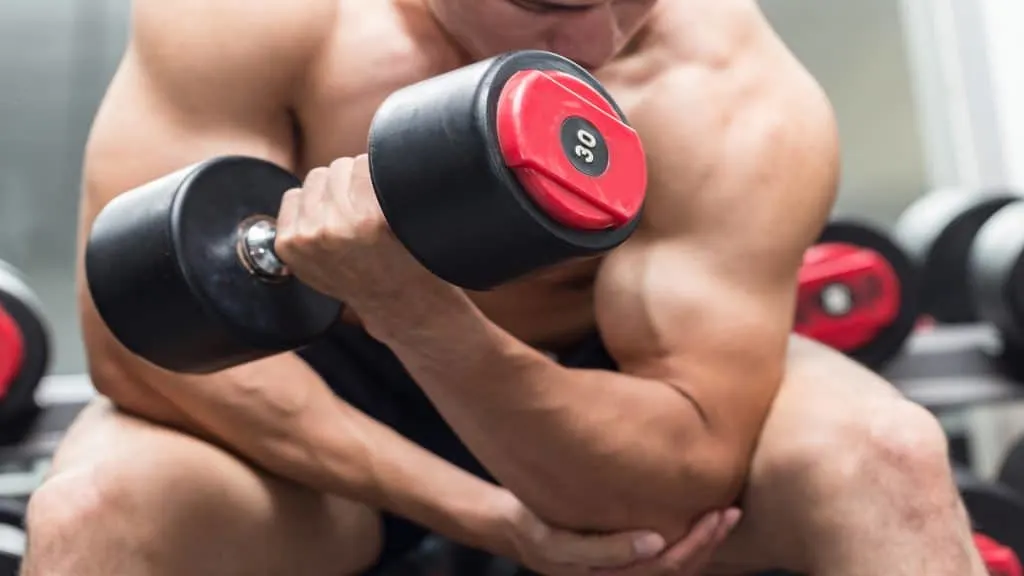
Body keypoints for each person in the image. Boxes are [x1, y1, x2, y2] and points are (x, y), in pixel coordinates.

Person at [22, 0, 986, 574]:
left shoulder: (726, 88)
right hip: (319, 414)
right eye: (545, 2)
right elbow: (142, 340)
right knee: (95, 505)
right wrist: (477, 513)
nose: (600, 43)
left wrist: (416, 307)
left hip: (609, 396)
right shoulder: (259, 20)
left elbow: (675, 472)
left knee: (886, 457)